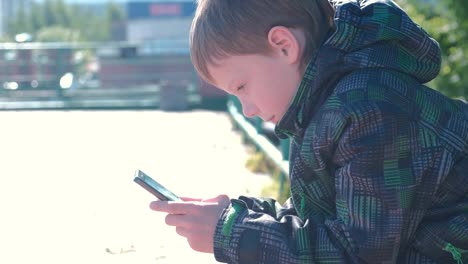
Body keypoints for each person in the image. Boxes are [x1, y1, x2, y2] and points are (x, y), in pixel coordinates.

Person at [150, 0, 468, 263]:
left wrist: (232, 233)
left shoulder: (368, 110)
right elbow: (324, 217)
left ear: (284, 46)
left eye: (242, 87)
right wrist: (239, 214)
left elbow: (358, 254)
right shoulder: (330, 102)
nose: (247, 109)